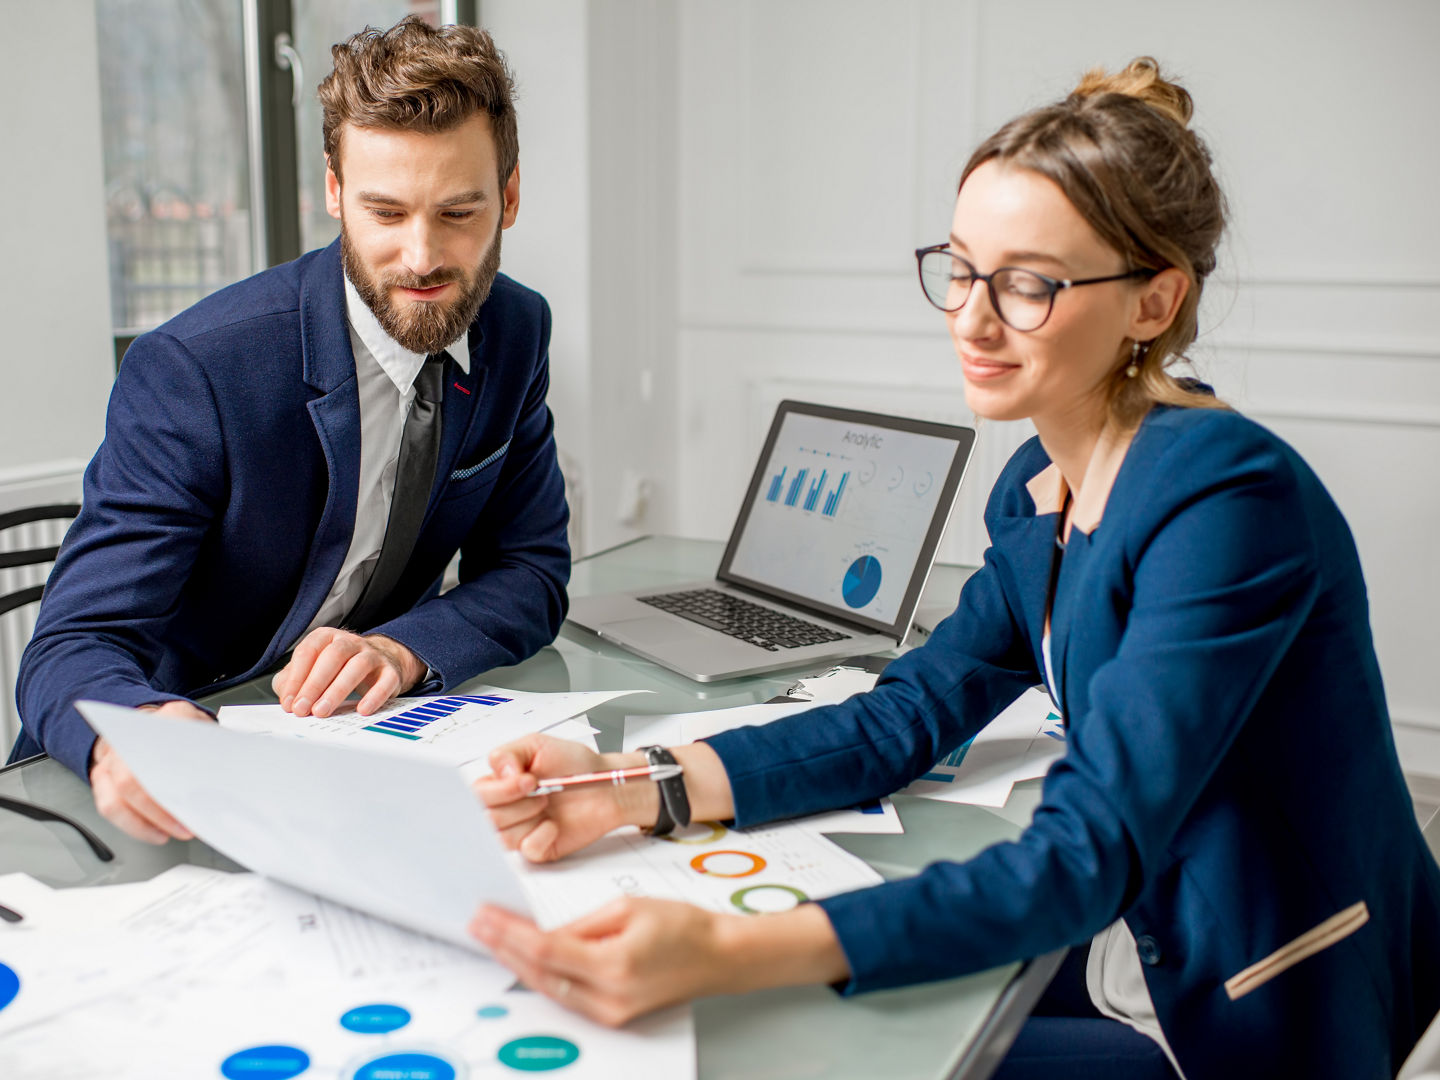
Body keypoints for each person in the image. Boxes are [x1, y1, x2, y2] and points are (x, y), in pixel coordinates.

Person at [468, 58, 1440, 1079]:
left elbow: (1082, 853)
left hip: (1249, 994)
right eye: (964, 268)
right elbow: (904, 718)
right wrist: (631, 788)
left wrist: (724, 952)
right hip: (1134, 923)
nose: (972, 320)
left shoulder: (1230, 501)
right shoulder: (1036, 481)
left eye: (1029, 284)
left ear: (1154, 303)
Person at [14, 17, 570, 846]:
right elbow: (72, 643)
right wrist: (130, 735)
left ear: (511, 197)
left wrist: (403, 650)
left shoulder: (515, 330)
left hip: (358, 760)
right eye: (385, 211)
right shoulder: (198, 369)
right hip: (160, 784)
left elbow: (530, 568)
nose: (421, 258)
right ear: (335, 191)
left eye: (458, 212)